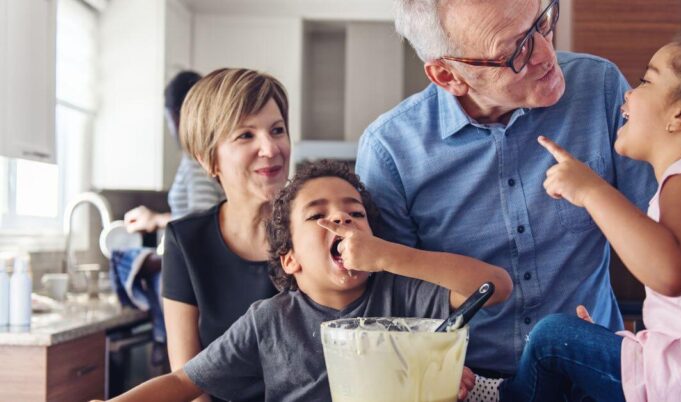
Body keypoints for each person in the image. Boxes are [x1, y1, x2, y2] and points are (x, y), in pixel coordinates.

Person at [355, 0, 657, 377]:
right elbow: (394, 298)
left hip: (596, 370)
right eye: (515, 50)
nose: (547, 54)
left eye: (541, 23)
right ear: (448, 76)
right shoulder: (390, 153)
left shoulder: (600, 89)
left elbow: (661, 233)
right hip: (464, 384)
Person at [498, 25, 681, 401]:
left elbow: (671, 274)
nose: (628, 93)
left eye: (645, 81)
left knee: (551, 339)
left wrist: (592, 190)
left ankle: (498, 395)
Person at [95, 160, 514, 402]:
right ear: (290, 259)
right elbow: (184, 381)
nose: (341, 218)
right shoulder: (270, 322)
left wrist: (389, 255)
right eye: (318, 215)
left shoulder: (404, 293)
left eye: (355, 213)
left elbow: (495, 286)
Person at [161, 68, 290, 402]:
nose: (270, 148)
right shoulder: (184, 241)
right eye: (245, 135)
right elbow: (186, 380)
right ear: (208, 160)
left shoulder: (316, 230)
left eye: (277, 130)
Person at [123, 70, 225, 234]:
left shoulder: (197, 157)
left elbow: (201, 218)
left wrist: (156, 219)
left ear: (178, 115)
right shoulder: (203, 153)